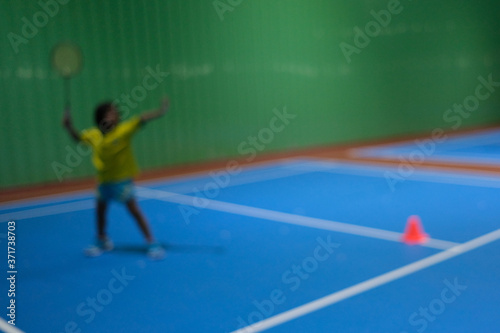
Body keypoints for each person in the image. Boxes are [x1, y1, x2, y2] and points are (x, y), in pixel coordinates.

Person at [62, 97, 169, 259]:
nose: (117, 114)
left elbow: (142, 118)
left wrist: (160, 111)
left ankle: (151, 242)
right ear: (103, 117)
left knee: (134, 211)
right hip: (104, 182)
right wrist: (69, 127)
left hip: (122, 182)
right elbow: (78, 139)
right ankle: (101, 239)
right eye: (113, 112)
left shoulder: (124, 130)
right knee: (100, 212)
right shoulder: (94, 134)